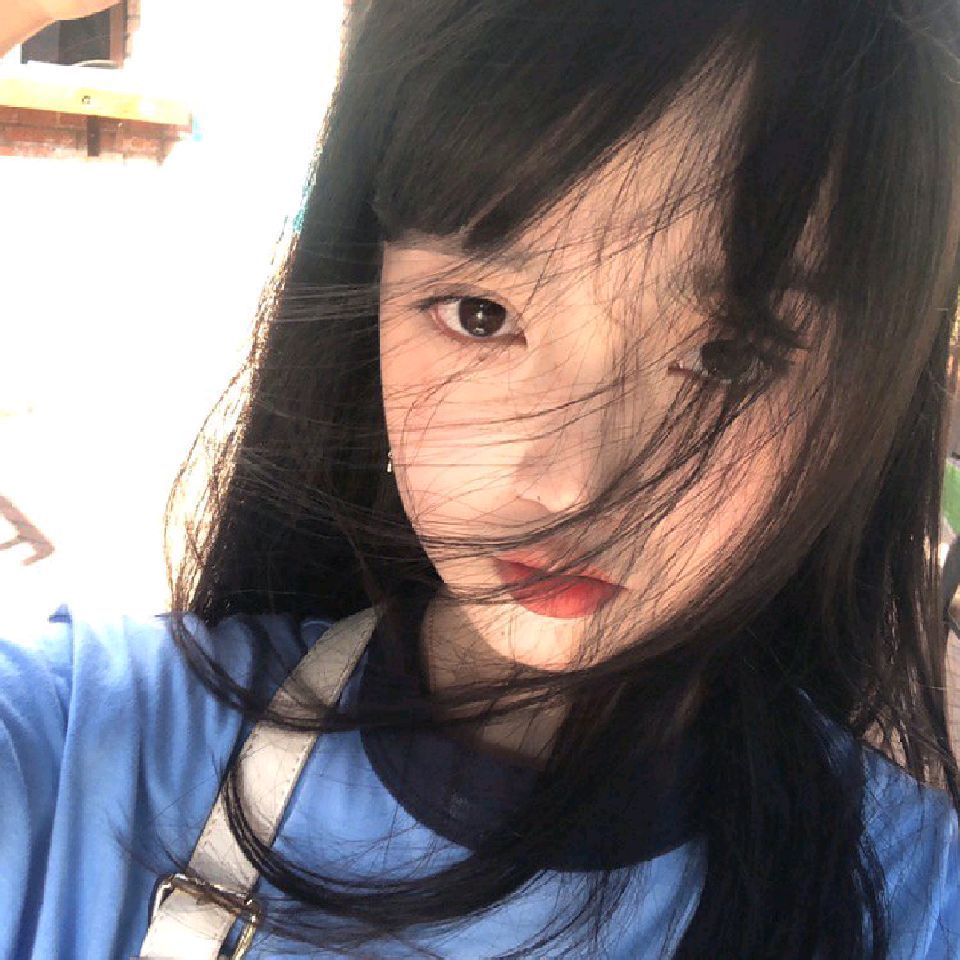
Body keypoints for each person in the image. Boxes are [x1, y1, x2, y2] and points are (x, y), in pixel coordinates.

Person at [2, 1, 959, 957]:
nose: (566, 485)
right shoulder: (91, 744)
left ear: (866, 400)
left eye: (727, 358)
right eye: (481, 315)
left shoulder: (916, 903)